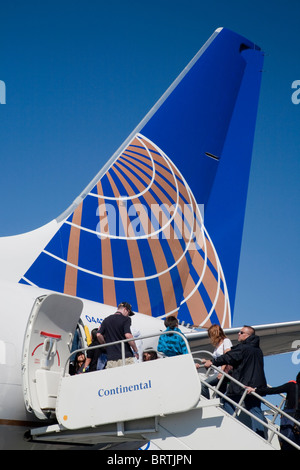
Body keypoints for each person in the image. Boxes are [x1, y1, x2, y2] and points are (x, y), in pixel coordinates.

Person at [202, 325, 267, 437]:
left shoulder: (244, 348)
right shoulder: (257, 350)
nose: (238, 333)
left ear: (247, 336)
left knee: (227, 402)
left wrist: (213, 362)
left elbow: (228, 357)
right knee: (254, 409)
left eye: (241, 332)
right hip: (257, 385)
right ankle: (261, 436)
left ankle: (236, 426)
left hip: (243, 384)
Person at [246, 372, 300, 450]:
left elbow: (274, 390)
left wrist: (255, 390)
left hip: (289, 422)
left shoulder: (292, 386)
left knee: (286, 441)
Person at [97, 302, 139, 368]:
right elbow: (128, 335)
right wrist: (135, 350)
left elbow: (98, 335)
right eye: (128, 313)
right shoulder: (126, 319)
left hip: (111, 358)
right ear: (125, 309)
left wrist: (104, 344)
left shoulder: (106, 320)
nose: (128, 315)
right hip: (125, 356)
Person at [201, 324, 232, 399]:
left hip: (222, 372)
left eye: (210, 335)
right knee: (219, 397)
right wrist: (208, 361)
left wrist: (222, 371)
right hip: (218, 372)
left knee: (203, 384)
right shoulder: (218, 345)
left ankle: (207, 402)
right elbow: (218, 358)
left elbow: (227, 356)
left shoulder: (226, 341)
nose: (210, 338)